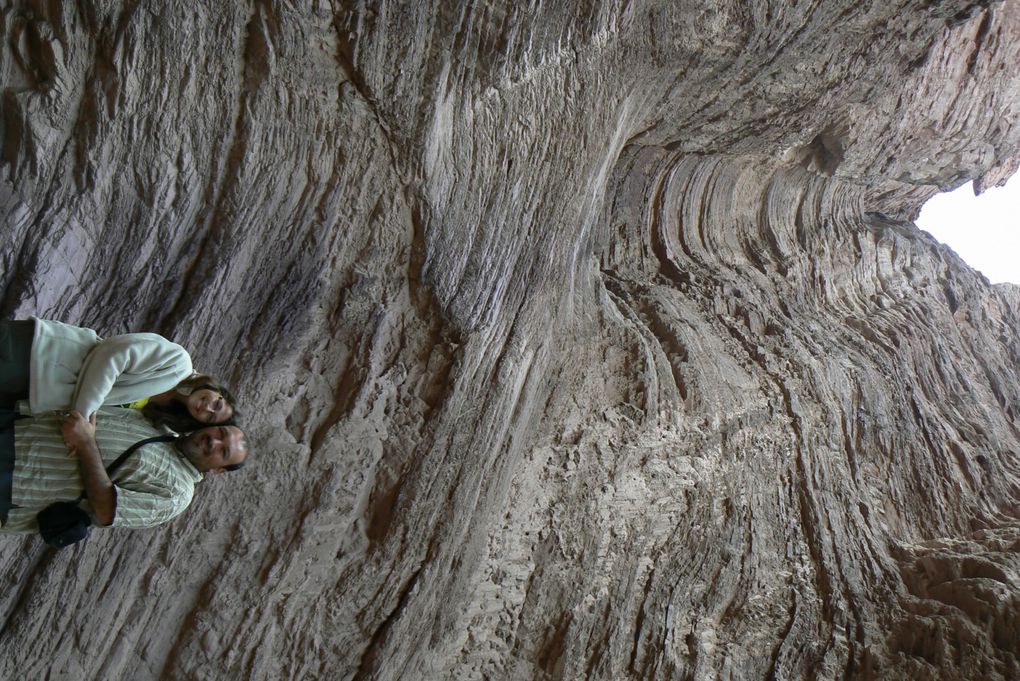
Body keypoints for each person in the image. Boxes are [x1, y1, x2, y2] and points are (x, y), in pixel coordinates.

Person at [0, 407, 249, 533]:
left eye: (223, 451)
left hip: (18, 485)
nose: (213, 442)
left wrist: (87, 444)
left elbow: (106, 508)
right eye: (221, 433)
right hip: (17, 428)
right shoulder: (162, 426)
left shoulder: (177, 495)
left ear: (219, 470)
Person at [0, 317, 237, 431]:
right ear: (215, 390)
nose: (207, 408)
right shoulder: (178, 363)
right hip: (39, 355)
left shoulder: (155, 414)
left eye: (209, 417)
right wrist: (83, 416)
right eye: (217, 404)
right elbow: (113, 355)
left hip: (33, 390)